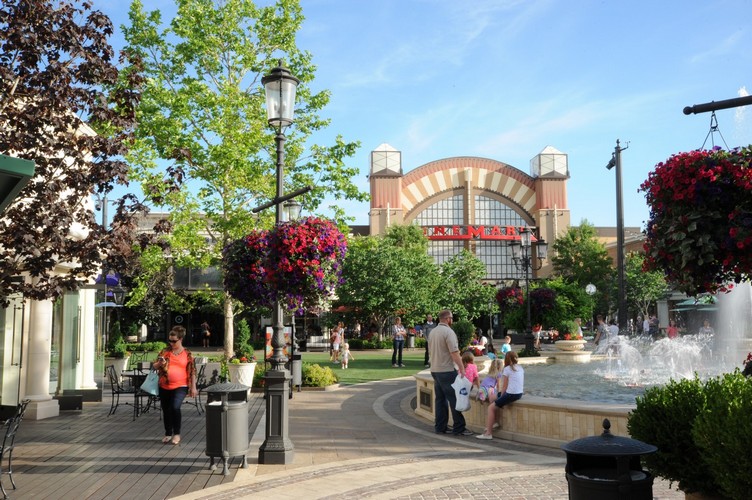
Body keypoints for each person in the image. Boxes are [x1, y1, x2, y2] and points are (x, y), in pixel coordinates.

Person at [428, 309, 473, 436]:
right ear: (448, 319)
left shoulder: (433, 332)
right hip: (446, 370)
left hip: (435, 370)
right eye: (452, 318)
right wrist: (462, 368)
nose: (452, 320)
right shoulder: (448, 332)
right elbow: (454, 353)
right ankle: (459, 427)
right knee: (454, 398)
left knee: (440, 400)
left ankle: (440, 427)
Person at [154, 325, 197, 445]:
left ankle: (177, 433)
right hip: (164, 385)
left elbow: (193, 371)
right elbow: (155, 366)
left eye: (174, 341)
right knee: (166, 409)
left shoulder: (187, 354)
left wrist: (193, 387)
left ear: (181, 339)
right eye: (170, 340)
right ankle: (168, 433)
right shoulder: (165, 352)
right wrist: (160, 363)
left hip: (181, 386)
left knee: (175, 407)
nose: (171, 343)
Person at [476, 351, 524, 440]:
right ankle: (494, 422)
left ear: (506, 359)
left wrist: (501, 397)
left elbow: (504, 386)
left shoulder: (507, 369)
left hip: (511, 394)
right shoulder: (520, 367)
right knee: (492, 397)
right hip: (519, 393)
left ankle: (488, 434)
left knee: (490, 408)